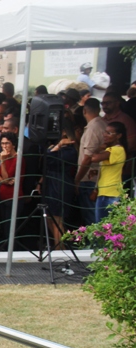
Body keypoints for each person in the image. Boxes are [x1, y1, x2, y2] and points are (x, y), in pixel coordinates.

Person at [39, 119, 80, 248]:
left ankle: (59, 249)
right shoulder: (54, 146)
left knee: (57, 219)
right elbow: (45, 160)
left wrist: (57, 147)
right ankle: (59, 246)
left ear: (64, 132)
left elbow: (51, 159)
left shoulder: (70, 150)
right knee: (48, 218)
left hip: (60, 183)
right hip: (50, 182)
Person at [75, 98, 107, 226]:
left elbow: (88, 158)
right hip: (96, 177)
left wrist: (77, 179)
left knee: (91, 217)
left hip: (89, 178)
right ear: (98, 110)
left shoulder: (93, 128)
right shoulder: (103, 124)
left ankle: (95, 239)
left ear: (84, 111)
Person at [93, 122, 127, 221]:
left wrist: (99, 148)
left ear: (119, 136)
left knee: (105, 226)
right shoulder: (110, 149)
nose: (104, 135)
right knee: (102, 226)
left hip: (111, 193)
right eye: (105, 132)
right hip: (105, 192)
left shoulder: (117, 150)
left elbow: (94, 158)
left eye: (109, 133)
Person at [0, 132, 23, 241]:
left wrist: (2, 161)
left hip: (13, 197)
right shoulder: (5, 157)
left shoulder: (18, 159)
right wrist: (4, 181)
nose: (4, 146)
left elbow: (7, 177)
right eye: (2, 144)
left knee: (10, 228)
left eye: (7, 143)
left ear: (13, 144)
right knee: (4, 225)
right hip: (3, 196)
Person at [101, 92, 136, 167]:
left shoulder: (126, 120)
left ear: (117, 103)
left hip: (122, 167)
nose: (104, 106)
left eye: (108, 103)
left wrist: (111, 151)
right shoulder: (101, 120)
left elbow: (132, 144)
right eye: (103, 103)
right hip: (103, 166)